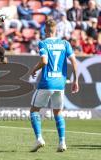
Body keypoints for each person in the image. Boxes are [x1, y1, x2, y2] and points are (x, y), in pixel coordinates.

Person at [29, 19, 79, 152]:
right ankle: (62, 142)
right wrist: (75, 81)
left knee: (34, 111)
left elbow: (44, 61)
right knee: (58, 112)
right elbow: (74, 62)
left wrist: (34, 69)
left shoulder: (43, 43)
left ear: (45, 30)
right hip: (60, 84)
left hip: (47, 83)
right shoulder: (65, 43)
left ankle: (39, 138)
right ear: (56, 30)